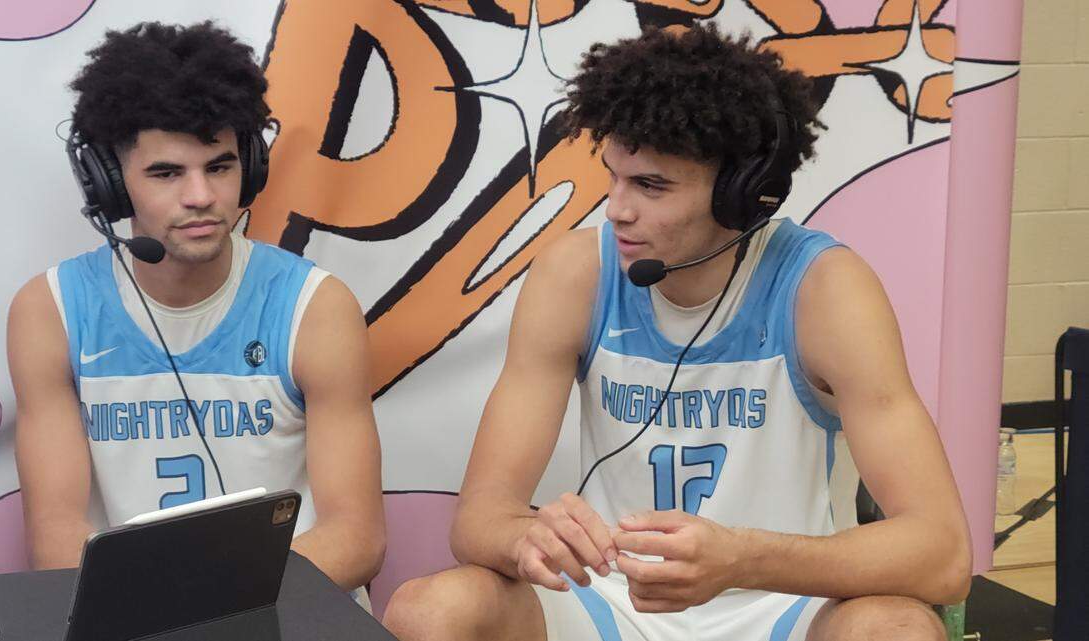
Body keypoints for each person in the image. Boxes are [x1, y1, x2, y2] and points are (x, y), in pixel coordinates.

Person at [383, 23, 971, 640]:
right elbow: (478, 519)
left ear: (744, 194)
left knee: (899, 629)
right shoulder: (575, 273)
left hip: (786, 602)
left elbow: (944, 555)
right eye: (613, 176)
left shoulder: (826, 290)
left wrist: (743, 558)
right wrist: (522, 535)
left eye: (650, 186)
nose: (616, 208)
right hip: (616, 600)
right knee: (428, 609)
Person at [9, 21, 385, 602]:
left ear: (250, 168)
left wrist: (206, 599)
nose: (201, 197)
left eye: (219, 166)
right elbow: (55, 536)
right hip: (139, 615)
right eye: (166, 173)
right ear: (109, 183)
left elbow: (355, 536)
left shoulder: (316, 306)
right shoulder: (50, 310)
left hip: (290, 609)